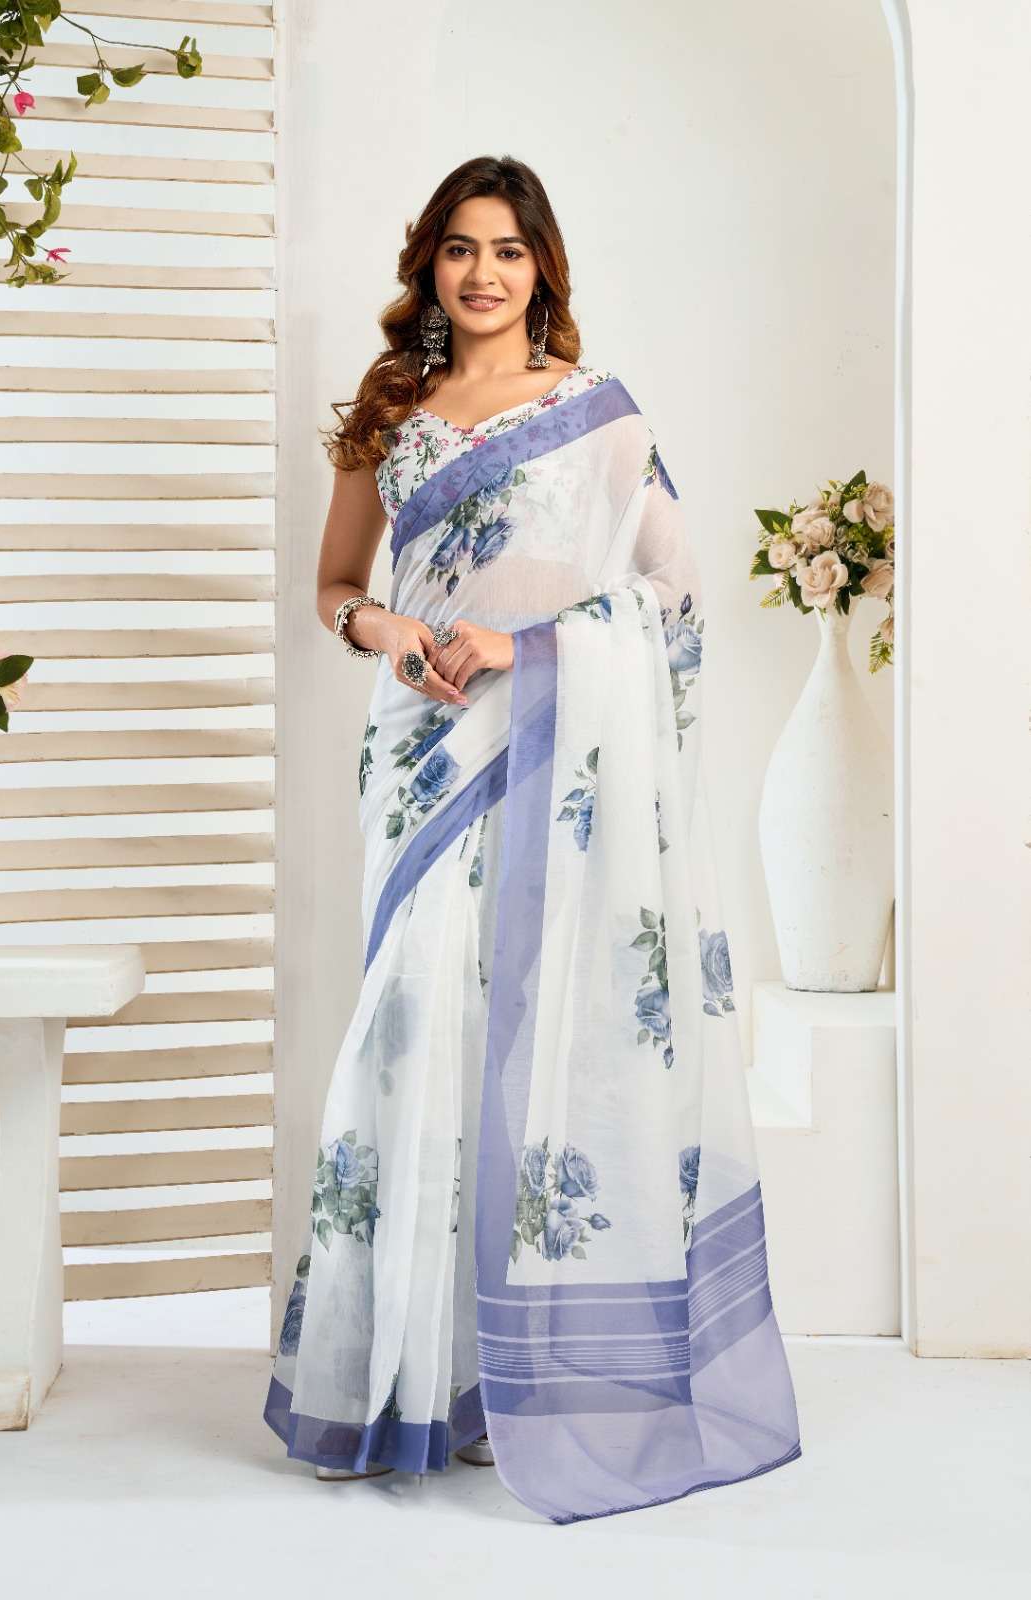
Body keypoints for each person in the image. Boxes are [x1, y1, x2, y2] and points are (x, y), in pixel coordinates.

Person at [263, 154, 802, 1524]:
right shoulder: (388, 412)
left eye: (507, 250)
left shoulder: (594, 413)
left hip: (553, 746)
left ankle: (517, 1374)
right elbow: (332, 585)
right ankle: (404, 1379)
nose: (483, 273)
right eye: (459, 248)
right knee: (415, 1021)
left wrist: (529, 645)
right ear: (428, 264)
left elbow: (673, 594)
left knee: (529, 1024)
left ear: (542, 265)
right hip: (421, 752)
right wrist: (388, 629)